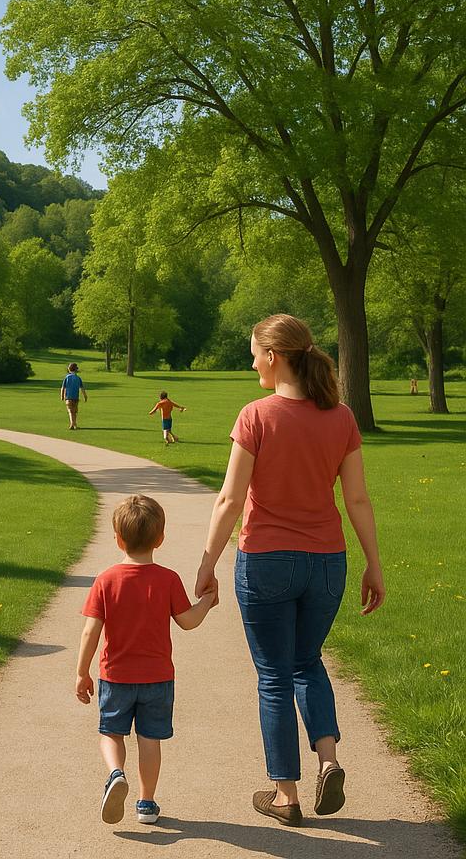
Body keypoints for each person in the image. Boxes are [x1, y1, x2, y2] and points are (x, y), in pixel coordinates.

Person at [194, 314, 385, 827]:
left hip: (267, 562)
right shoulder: (340, 417)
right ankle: (330, 760)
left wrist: (207, 563)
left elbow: (231, 498)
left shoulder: (256, 415)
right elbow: (358, 499)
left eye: (254, 352)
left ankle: (286, 795)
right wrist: (373, 563)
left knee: (274, 678)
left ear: (274, 357)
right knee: (308, 662)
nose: (251, 361)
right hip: (328, 562)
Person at [76, 495, 216, 826]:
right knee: (149, 739)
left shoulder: (106, 580)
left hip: (116, 676)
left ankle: (115, 774)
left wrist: (82, 673)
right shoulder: (167, 579)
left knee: (111, 732)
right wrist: (208, 601)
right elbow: (188, 621)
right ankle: (146, 803)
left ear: (118, 538)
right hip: (157, 678)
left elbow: (90, 633)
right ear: (160, 538)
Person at [61, 362, 88, 430]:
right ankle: (74, 424)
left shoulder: (67, 377)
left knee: (70, 411)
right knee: (75, 411)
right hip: (75, 397)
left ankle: (72, 424)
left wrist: (62, 396)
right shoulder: (78, 378)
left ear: (69, 369)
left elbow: (63, 388)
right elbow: (82, 388)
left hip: (68, 397)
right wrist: (85, 396)